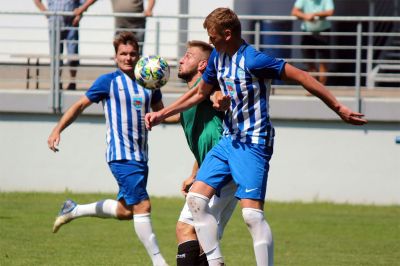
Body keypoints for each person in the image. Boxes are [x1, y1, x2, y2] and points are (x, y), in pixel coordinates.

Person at [145, 7, 367, 266]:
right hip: (229, 140)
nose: (210, 41)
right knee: (195, 199)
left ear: (227, 34)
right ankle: (215, 262)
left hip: (254, 144)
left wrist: (338, 107)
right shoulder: (217, 57)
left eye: (212, 36)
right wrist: (162, 114)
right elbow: (199, 93)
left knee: (251, 215)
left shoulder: (254, 60)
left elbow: (302, 76)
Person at [47, 31, 168, 266]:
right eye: (123, 53)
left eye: (133, 53)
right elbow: (80, 105)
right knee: (143, 205)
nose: (128, 58)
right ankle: (159, 262)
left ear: (139, 56)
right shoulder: (108, 82)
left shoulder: (150, 82)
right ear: (115, 57)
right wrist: (57, 129)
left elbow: (162, 114)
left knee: (126, 211)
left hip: (141, 156)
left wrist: (189, 111)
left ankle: (74, 210)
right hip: (121, 156)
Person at [168, 40, 237, 266]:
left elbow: (215, 95)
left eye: (188, 56)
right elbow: (205, 141)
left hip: (223, 174)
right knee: (187, 231)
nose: (181, 59)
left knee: (198, 235)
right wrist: (194, 173)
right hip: (209, 173)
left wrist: (219, 99)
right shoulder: (189, 101)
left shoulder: (207, 89)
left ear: (202, 65)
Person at [34, 0, 97, 90]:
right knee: (55, 54)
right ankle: (57, 81)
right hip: (54, 23)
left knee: (72, 54)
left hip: (71, 23)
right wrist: (46, 12)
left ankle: (72, 81)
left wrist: (80, 12)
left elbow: (84, 3)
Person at [291, 0, 335, 85]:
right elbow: (294, 11)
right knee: (309, 61)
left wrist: (314, 14)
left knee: (324, 61)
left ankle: (322, 87)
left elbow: (330, 11)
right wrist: (305, 16)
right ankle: (313, 87)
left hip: (323, 32)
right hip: (307, 32)